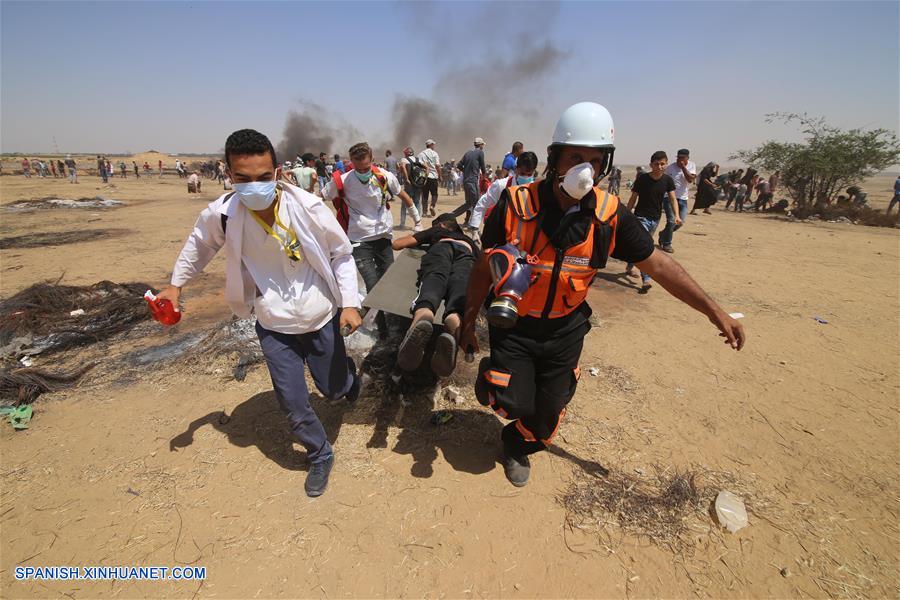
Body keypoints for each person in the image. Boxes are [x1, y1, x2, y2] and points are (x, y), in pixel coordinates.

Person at [459, 102, 745, 487]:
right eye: (575, 157)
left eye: (595, 161)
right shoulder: (515, 204)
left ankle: (515, 444)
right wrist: (467, 322)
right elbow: (483, 267)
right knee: (511, 401)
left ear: (606, 164)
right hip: (515, 327)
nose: (585, 169)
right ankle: (495, 383)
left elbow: (659, 266)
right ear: (555, 159)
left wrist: (714, 311)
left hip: (565, 331)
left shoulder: (609, 215)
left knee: (546, 418)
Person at [322, 142, 422, 338]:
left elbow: (404, 196)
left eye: (366, 168)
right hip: (359, 241)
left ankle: (395, 326)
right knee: (374, 285)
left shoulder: (384, 176)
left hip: (383, 238)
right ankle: (384, 332)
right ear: (351, 163)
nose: (363, 172)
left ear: (372, 161)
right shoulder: (343, 180)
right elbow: (321, 196)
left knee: (389, 284)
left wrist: (417, 221)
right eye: (358, 169)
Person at [392, 213, 478, 377]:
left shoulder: (438, 230)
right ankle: (453, 323)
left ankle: (423, 318)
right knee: (460, 290)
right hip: (467, 255)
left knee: (433, 280)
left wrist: (420, 236)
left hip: (441, 249)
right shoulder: (468, 240)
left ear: (442, 224)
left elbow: (397, 245)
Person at [625, 151, 679, 293]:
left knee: (637, 246)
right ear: (651, 165)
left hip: (655, 218)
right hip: (640, 217)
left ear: (666, 164)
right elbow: (633, 197)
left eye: (663, 164)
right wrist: (626, 213)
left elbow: (673, 199)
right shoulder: (642, 179)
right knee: (645, 247)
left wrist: (677, 215)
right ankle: (646, 280)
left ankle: (629, 266)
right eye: (657, 164)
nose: (660, 167)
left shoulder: (667, 180)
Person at [467, 151, 539, 233]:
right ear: (516, 169)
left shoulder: (537, 189)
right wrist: (475, 228)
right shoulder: (502, 185)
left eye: (529, 175)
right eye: (522, 173)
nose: (526, 177)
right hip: (504, 234)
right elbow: (482, 205)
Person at [658, 149, 696, 253]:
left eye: (682, 158)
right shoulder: (670, 167)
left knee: (680, 222)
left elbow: (690, 179)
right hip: (669, 197)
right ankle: (667, 244)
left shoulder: (691, 165)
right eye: (678, 158)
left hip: (683, 198)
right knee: (671, 221)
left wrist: (683, 167)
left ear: (687, 158)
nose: (679, 160)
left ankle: (663, 234)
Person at [455, 137, 487, 222]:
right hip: (473, 181)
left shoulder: (467, 153)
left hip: (466, 181)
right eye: (482, 145)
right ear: (480, 145)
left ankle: (455, 216)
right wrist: (484, 178)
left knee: (468, 203)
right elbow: (483, 167)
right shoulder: (480, 152)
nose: (483, 146)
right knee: (476, 202)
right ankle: (473, 224)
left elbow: (458, 165)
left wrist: (465, 171)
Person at [398, 146, 424, 229]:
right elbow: (426, 167)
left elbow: (403, 167)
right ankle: (418, 223)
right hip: (417, 185)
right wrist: (424, 179)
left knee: (404, 203)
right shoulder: (418, 160)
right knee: (417, 203)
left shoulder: (404, 159)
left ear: (406, 153)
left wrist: (406, 179)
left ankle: (402, 224)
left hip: (409, 185)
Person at [419, 139, 441, 217]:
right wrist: (440, 175)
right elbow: (437, 165)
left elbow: (419, 165)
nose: (434, 146)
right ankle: (432, 206)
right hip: (433, 176)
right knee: (434, 194)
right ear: (431, 145)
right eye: (433, 144)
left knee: (424, 195)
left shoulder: (421, 154)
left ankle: (424, 212)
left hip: (424, 176)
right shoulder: (434, 154)